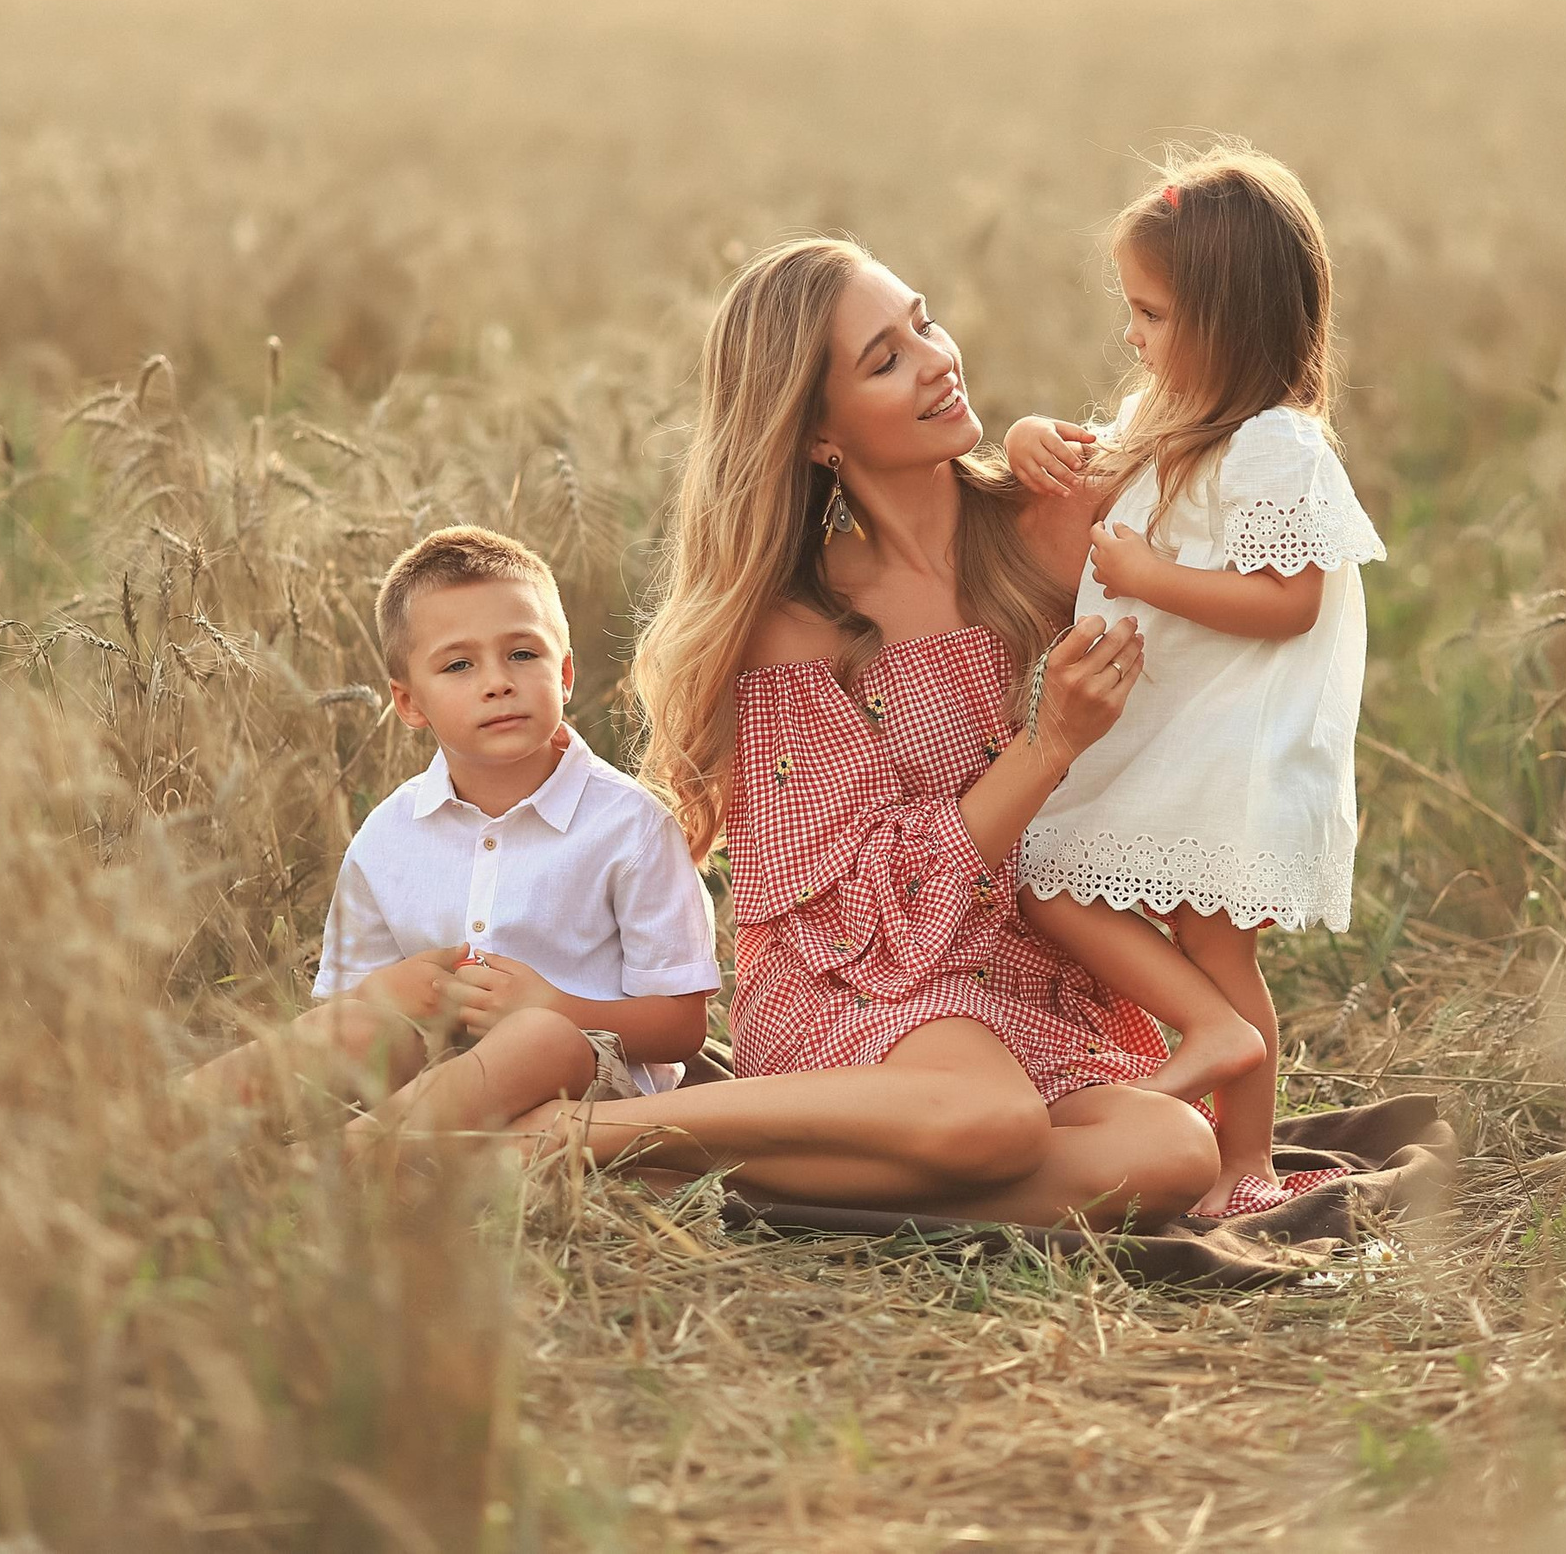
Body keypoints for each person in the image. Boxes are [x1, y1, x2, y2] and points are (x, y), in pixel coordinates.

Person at [499, 236, 1222, 1231]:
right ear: (817, 436)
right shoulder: (800, 628)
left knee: (1173, 1151)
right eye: (885, 360)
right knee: (992, 1118)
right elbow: (856, 909)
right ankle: (583, 1135)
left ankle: (760, 1171)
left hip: (1023, 972)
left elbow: (1221, 446)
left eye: (923, 323)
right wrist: (1046, 746)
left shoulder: (1049, 525)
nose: (935, 360)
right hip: (853, 979)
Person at [1003, 143, 1387, 1215]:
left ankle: (1244, 1162)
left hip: (1232, 746)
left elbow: (1291, 601)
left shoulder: (1276, 448)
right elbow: (1085, 463)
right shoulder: (1162, 416)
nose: (1131, 335)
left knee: (1216, 948)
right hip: (1164, 735)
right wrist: (1029, 437)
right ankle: (1210, 1057)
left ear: (1229, 322)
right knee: (1050, 878)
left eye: (1152, 314)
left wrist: (1148, 577)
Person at [181, 527, 722, 1144]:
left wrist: (555, 1007)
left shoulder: (632, 828)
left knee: (538, 1037)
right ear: (410, 703)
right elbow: (339, 1014)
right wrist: (382, 994)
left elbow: (682, 1028)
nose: (497, 682)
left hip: (583, 1088)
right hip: (424, 1073)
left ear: (565, 673)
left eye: (523, 654)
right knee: (356, 1027)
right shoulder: (388, 836)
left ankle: (355, 1161)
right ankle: (166, 1125)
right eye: (459, 665)